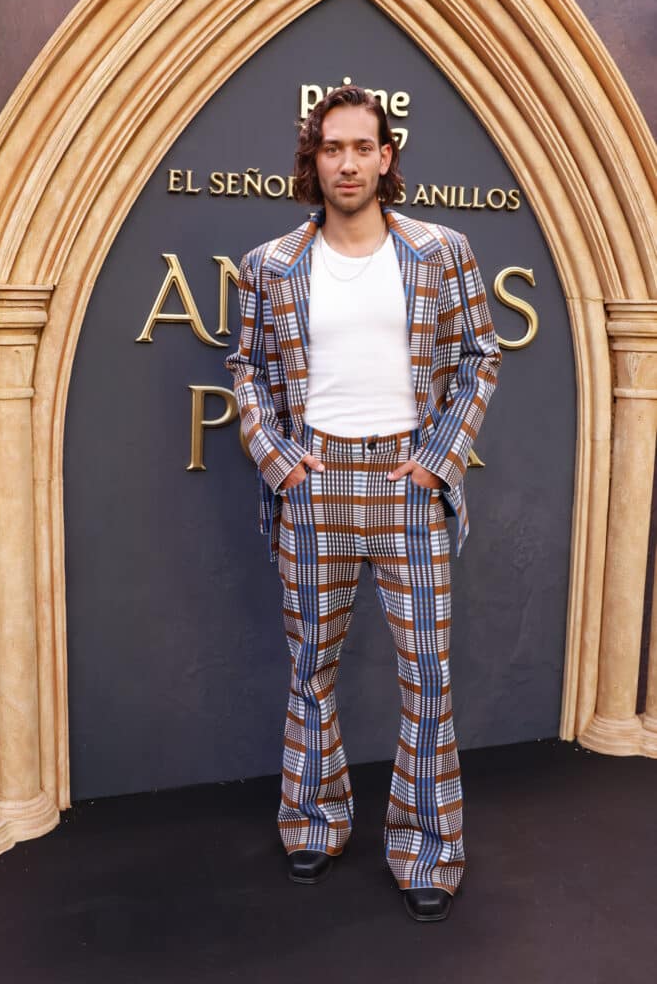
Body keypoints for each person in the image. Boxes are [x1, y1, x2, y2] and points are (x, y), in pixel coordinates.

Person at [225, 85, 501, 922]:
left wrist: (433, 462)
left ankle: (427, 849)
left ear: (386, 158)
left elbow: (480, 357)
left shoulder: (441, 251)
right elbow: (244, 369)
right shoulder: (270, 263)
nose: (347, 162)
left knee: (428, 677)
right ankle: (313, 821)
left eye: (362, 147)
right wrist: (280, 463)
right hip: (311, 491)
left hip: (405, 487)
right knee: (310, 670)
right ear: (313, 161)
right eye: (331, 148)